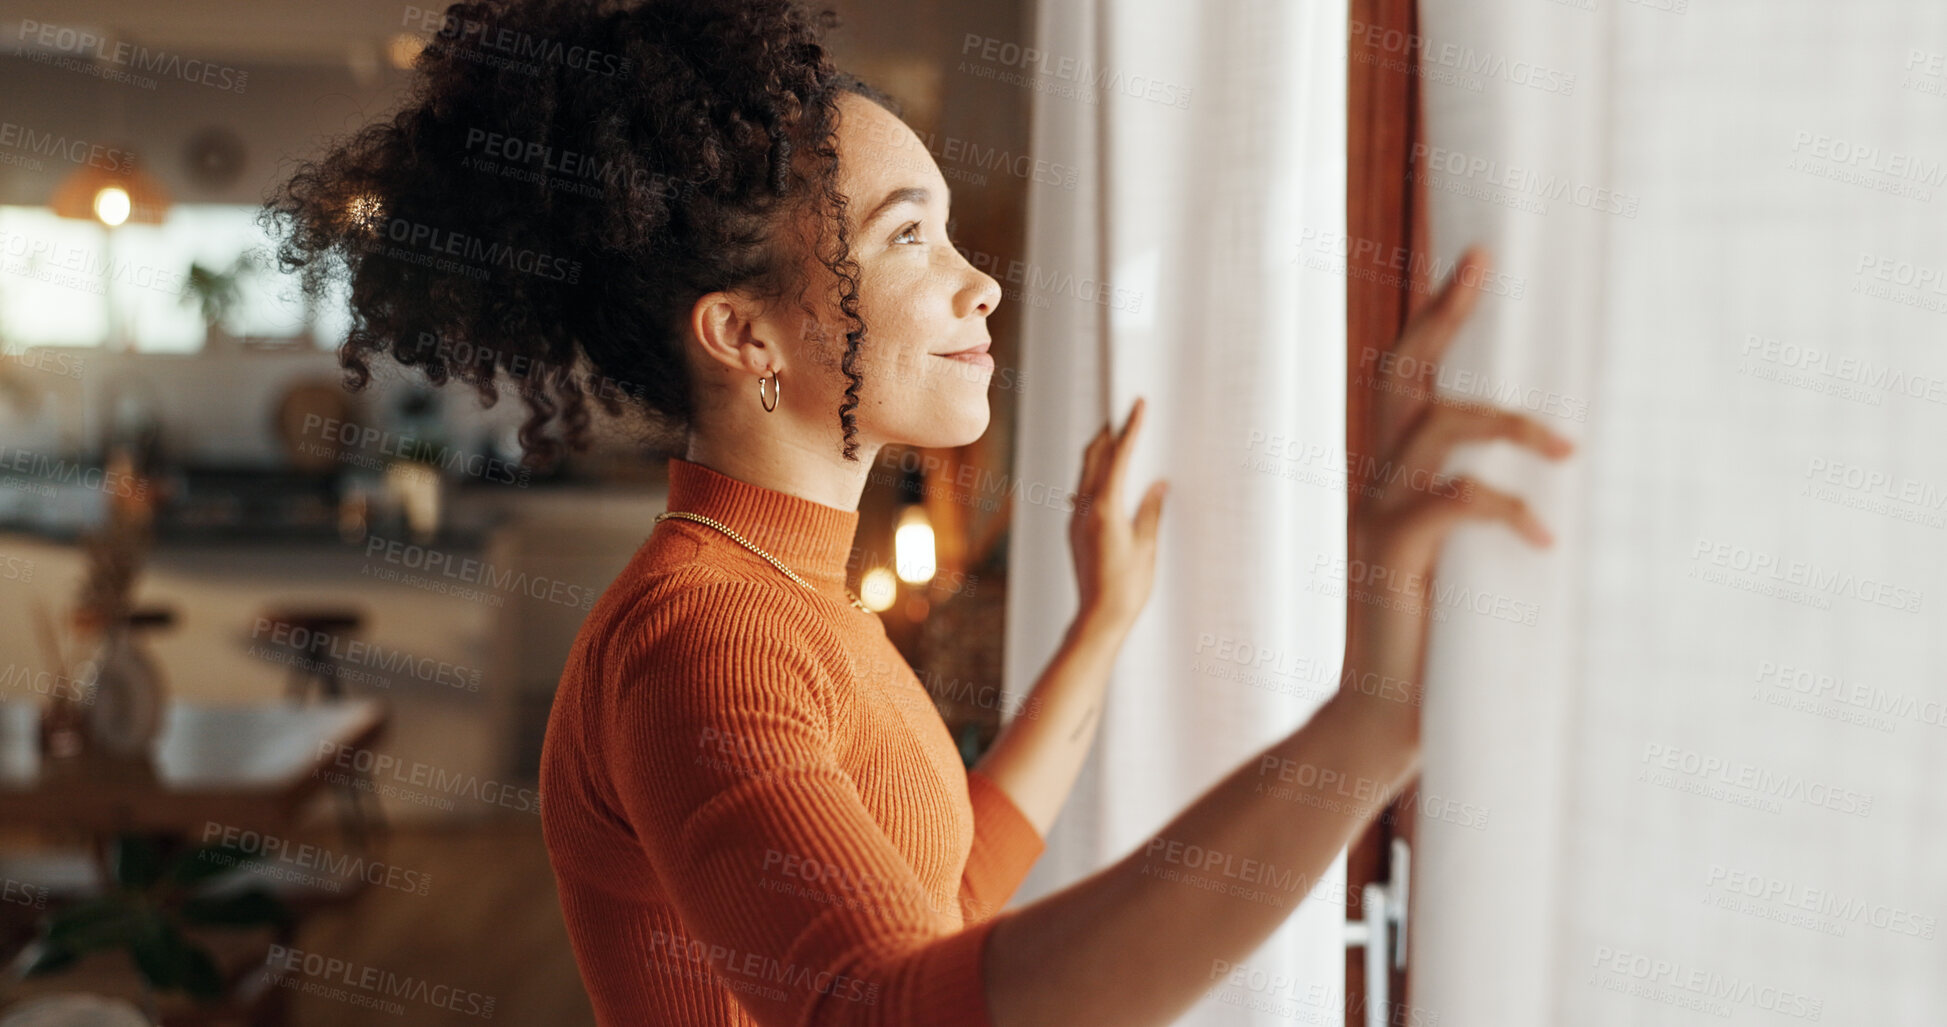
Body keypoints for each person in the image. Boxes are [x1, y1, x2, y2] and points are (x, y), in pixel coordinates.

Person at [262, 0, 1572, 1023]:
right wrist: (1372, 722)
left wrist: (1103, 626)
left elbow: (944, 896)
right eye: (906, 239)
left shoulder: (788, 591)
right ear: (743, 334)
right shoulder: (703, 641)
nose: (979, 286)